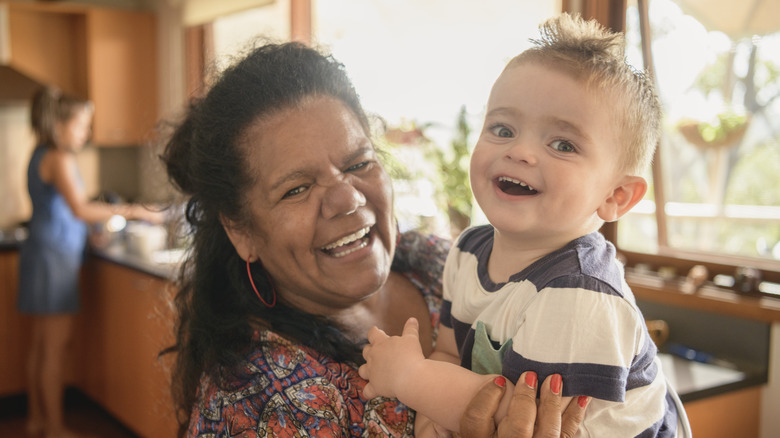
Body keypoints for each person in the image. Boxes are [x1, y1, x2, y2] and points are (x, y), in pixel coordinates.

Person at [160, 41, 588, 437]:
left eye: (358, 162)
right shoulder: (262, 400)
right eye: (296, 189)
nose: (346, 198)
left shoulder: (442, 262)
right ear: (241, 230)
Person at [360, 13, 686, 437]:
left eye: (563, 144)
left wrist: (410, 380)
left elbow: (524, 422)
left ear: (615, 197)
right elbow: (448, 352)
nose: (521, 151)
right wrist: (431, 416)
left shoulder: (579, 289)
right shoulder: (467, 250)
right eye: (503, 128)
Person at [18, 86, 164, 438]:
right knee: (54, 348)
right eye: (82, 125)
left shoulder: (40, 153)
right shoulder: (60, 158)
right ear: (60, 124)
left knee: (41, 345)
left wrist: (90, 233)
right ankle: (54, 427)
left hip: (41, 254)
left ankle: (36, 419)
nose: (86, 133)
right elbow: (80, 208)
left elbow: (63, 212)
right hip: (54, 261)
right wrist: (136, 211)